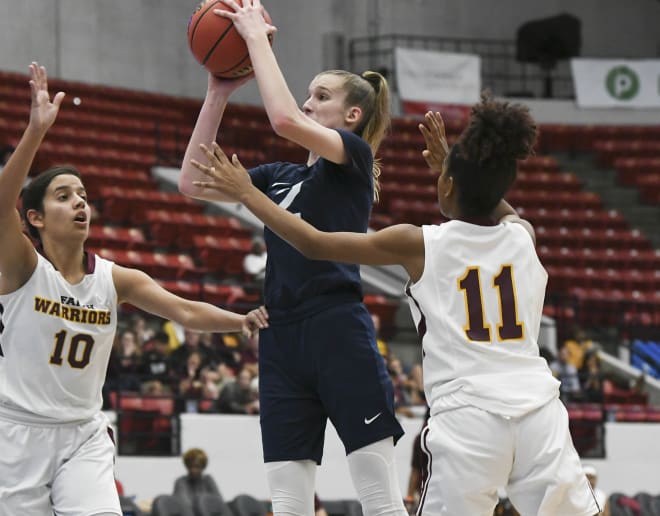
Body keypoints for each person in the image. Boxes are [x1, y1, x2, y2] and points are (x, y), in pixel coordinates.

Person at [190, 93, 602, 515]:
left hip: (469, 415)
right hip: (539, 410)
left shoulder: (419, 243)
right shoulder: (523, 236)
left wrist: (248, 193)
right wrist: (456, 170)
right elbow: (502, 208)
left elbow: (314, 244)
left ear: (446, 185)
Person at [0, 62, 268, 516]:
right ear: (36, 219)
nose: (79, 202)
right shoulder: (22, 267)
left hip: (83, 433)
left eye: (82, 194)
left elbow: (184, 311)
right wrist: (34, 133)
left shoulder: (114, 278)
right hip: (17, 434)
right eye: (63, 196)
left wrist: (239, 319)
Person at [178, 2, 407, 514]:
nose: (307, 104)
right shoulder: (281, 176)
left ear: (352, 116)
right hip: (281, 336)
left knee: (377, 493)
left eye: (320, 97)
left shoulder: (353, 158)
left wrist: (255, 38)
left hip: (336, 325)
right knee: (287, 501)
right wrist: (217, 92)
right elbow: (191, 182)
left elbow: (281, 119)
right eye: (308, 94)